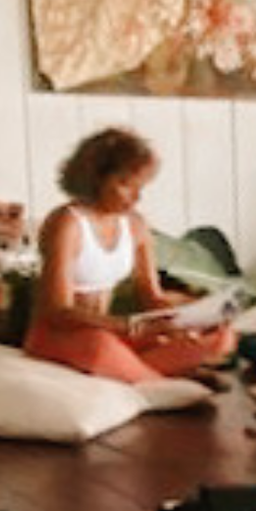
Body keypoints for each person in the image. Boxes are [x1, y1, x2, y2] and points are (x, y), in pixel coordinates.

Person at [24, 127, 235, 385]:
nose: (136, 196)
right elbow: (56, 310)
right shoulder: (67, 222)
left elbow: (152, 297)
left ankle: (135, 374)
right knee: (100, 346)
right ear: (95, 178)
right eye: (125, 184)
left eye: (141, 186)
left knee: (220, 338)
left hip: (113, 334)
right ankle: (161, 383)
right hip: (60, 339)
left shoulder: (136, 225)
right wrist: (122, 325)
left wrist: (187, 320)